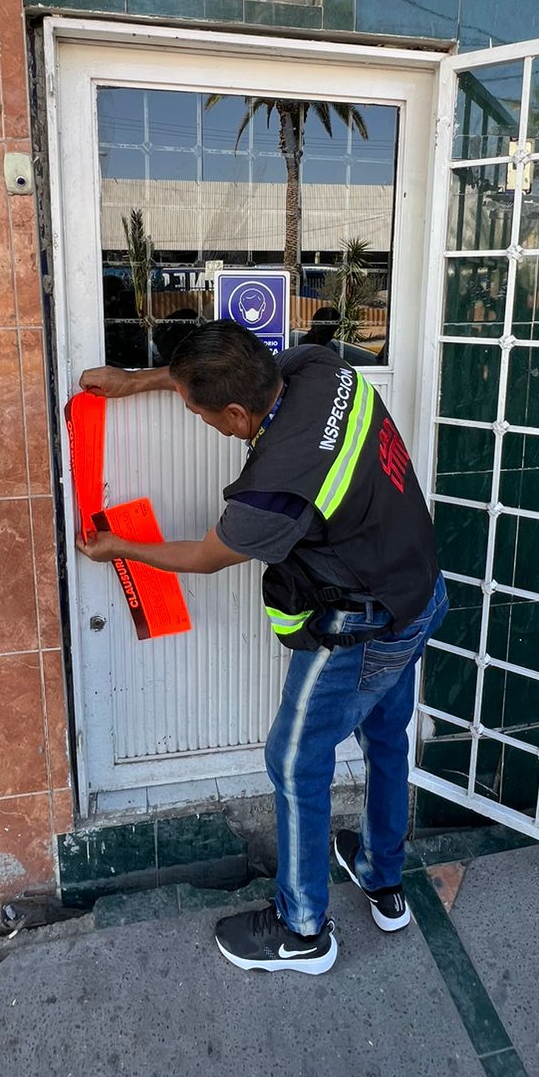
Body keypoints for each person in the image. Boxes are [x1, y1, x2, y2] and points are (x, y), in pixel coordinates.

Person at [78, 320, 445, 976]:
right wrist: (137, 382)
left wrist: (119, 546)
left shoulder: (274, 488)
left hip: (359, 633)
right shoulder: (320, 369)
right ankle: (382, 877)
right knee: (388, 739)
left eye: (199, 414)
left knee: (296, 759)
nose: (197, 420)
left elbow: (203, 555)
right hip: (419, 593)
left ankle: (303, 931)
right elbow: (216, 373)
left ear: (238, 414)